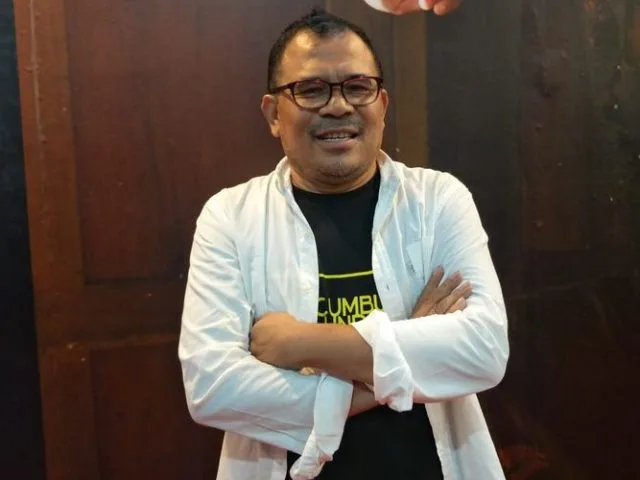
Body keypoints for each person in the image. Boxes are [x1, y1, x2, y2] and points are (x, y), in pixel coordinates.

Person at [179, 7, 507, 480]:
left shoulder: (437, 201)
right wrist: (398, 358)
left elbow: (483, 351)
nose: (338, 106)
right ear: (273, 114)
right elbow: (213, 388)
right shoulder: (231, 217)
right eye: (311, 90)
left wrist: (301, 343)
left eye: (357, 87)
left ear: (382, 105)